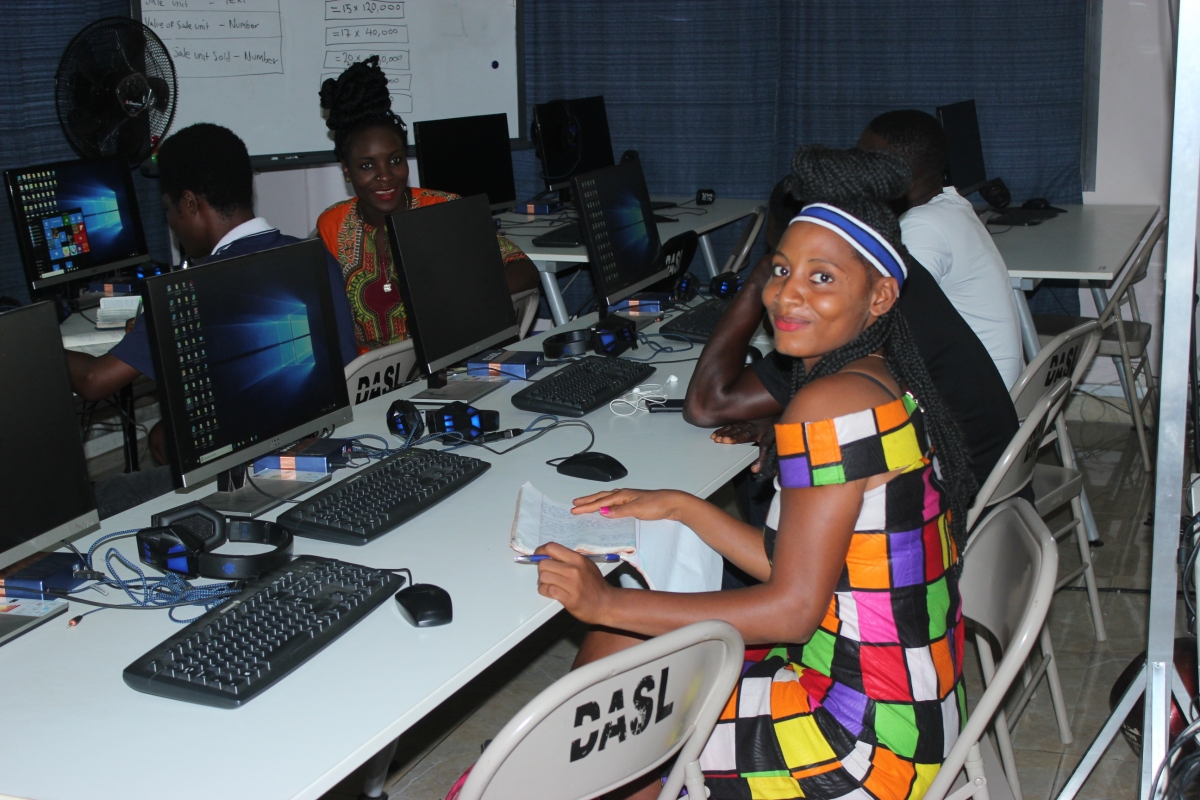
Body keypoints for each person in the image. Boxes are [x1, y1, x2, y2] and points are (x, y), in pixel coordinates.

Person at [532, 147, 973, 800]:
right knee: (619, 658)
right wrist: (685, 506)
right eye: (781, 270)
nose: (786, 296)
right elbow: (802, 564)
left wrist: (609, 599)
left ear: (880, 295)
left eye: (822, 279)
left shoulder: (827, 404)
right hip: (915, 710)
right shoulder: (879, 382)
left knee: (621, 723)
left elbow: (792, 611)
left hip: (860, 745)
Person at [63, 123, 357, 512]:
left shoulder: (189, 287)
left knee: (105, 495)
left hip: (252, 465)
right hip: (322, 441)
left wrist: (39, 341)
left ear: (189, 203)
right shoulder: (316, 255)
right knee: (161, 436)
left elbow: (93, 381)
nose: (171, 223)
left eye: (168, 209)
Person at [685, 177, 1019, 496]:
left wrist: (760, 279)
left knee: (756, 472)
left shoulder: (840, 323)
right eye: (782, 271)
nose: (787, 295)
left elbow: (706, 405)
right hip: (993, 492)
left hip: (950, 505)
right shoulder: (888, 275)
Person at [317, 56, 539, 353]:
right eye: (367, 165)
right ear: (347, 169)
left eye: (395, 160)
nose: (385, 176)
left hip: (448, 363)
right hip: (370, 378)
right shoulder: (332, 224)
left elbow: (523, 269)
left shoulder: (444, 208)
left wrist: (454, 305)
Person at [859, 110, 1024, 388]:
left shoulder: (921, 228)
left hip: (975, 404)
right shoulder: (951, 205)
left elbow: (884, 326)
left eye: (865, 162)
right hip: (997, 389)